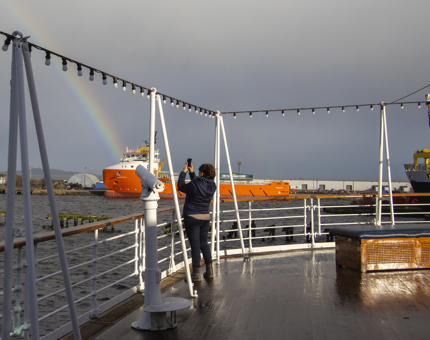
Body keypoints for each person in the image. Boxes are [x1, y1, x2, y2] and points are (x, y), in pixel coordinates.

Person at [178, 160, 216, 282]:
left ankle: (196, 273)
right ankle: (209, 270)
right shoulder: (212, 186)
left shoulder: (195, 184)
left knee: (195, 246)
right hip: (205, 217)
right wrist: (193, 172)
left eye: (200, 171)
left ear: (203, 174)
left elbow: (181, 186)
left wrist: (184, 172)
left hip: (192, 217)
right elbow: (199, 185)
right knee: (204, 244)